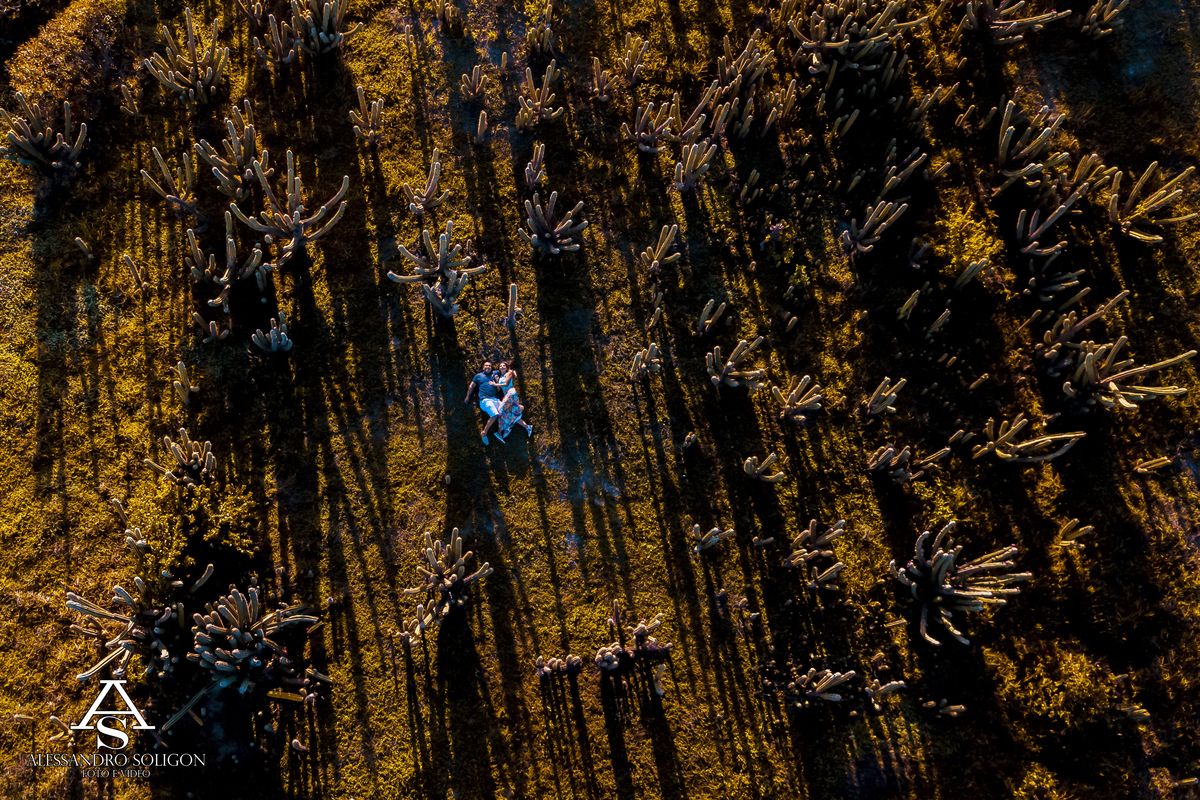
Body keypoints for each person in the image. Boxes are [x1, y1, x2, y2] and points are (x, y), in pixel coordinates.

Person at [464, 360, 504, 444]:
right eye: (486, 365)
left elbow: (504, 370)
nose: (488, 367)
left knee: (505, 413)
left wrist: (511, 372)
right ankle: (484, 433)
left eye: (489, 366)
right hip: (485, 400)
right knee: (495, 414)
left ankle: (499, 432)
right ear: (483, 368)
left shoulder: (496, 373)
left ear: (492, 367)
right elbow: (472, 386)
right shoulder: (478, 376)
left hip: (496, 399)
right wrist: (467, 396)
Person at [494, 362, 533, 439]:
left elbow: (506, 384)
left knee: (501, 410)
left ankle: (504, 429)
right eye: (500, 366)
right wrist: (497, 380)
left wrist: (494, 384)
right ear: (499, 368)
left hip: (511, 392)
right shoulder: (500, 377)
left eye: (504, 365)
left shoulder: (508, 373)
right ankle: (528, 427)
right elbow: (499, 390)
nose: (502, 367)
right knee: (512, 414)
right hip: (506, 395)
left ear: (506, 367)